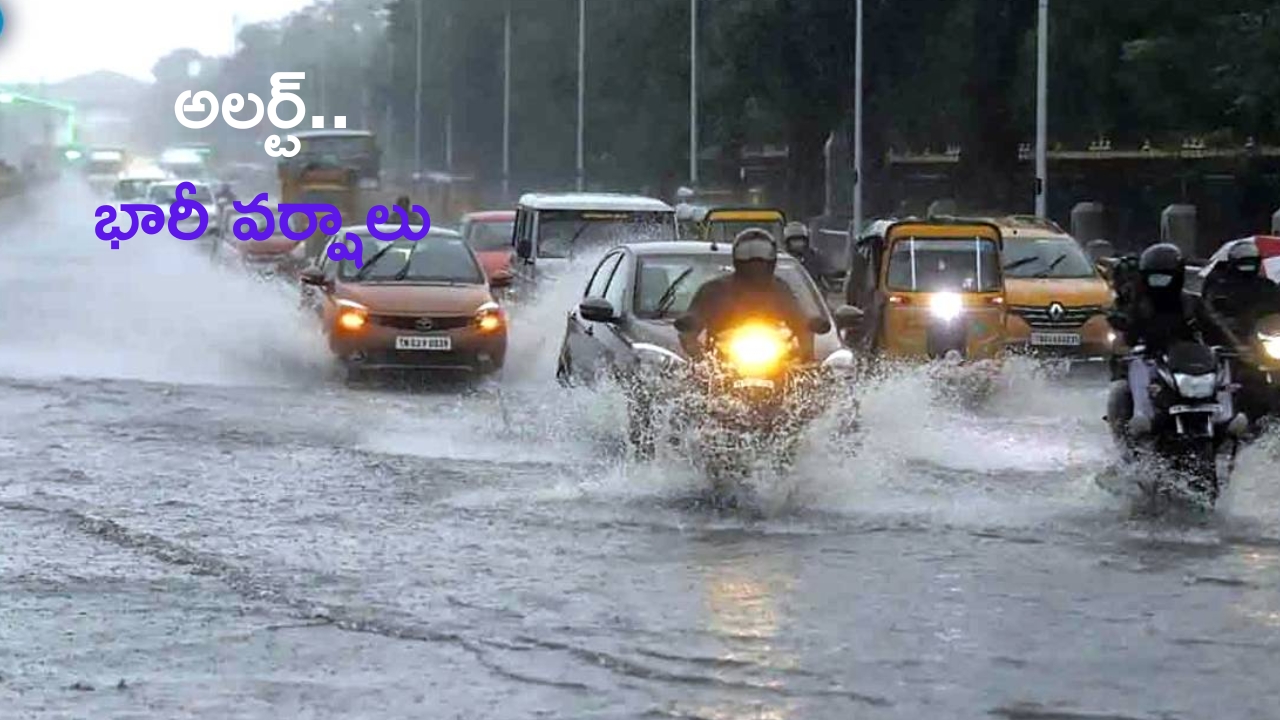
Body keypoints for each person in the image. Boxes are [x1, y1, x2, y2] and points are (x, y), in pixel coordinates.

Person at [1106, 243, 1202, 437]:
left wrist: (1234, 346)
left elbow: (1215, 327)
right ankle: (1140, 419)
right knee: (1124, 385)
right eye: (1155, 277)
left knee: (1221, 375)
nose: (1161, 283)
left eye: (1166, 276)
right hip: (1151, 359)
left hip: (1186, 363)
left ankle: (1225, 418)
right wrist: (1124, 331)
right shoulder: (1137, 304)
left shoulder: (1191, 302)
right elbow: (1126, 332)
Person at [678, 228, 816, 362]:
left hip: (776, 361)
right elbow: (691, 323)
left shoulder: (781, 289)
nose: (755, 263)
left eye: (762, 257)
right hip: (721, 363)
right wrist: (700, 357)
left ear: (772, 259)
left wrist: (804, 353)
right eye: (748, 256)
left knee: (809, 380)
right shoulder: (714, 290)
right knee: (690, 382)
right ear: (737, 259)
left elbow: (800, 320)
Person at [1198, 241, 1280, 349]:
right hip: (1229, 339)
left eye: (1251, 261)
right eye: (1244, 261)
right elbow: (1209, 311)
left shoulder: (1267, 286)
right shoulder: (1220, 286)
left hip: (1263, 340)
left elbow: (1276, 309)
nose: (1248, 265)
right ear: (1233, 261)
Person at [782, 221, 835, 286]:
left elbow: (827, 276)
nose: (798, 244)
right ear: (787, 243)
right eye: (794, 241)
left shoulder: (815, 258)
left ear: (806, 241)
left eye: (801, 240)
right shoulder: (783, 259)